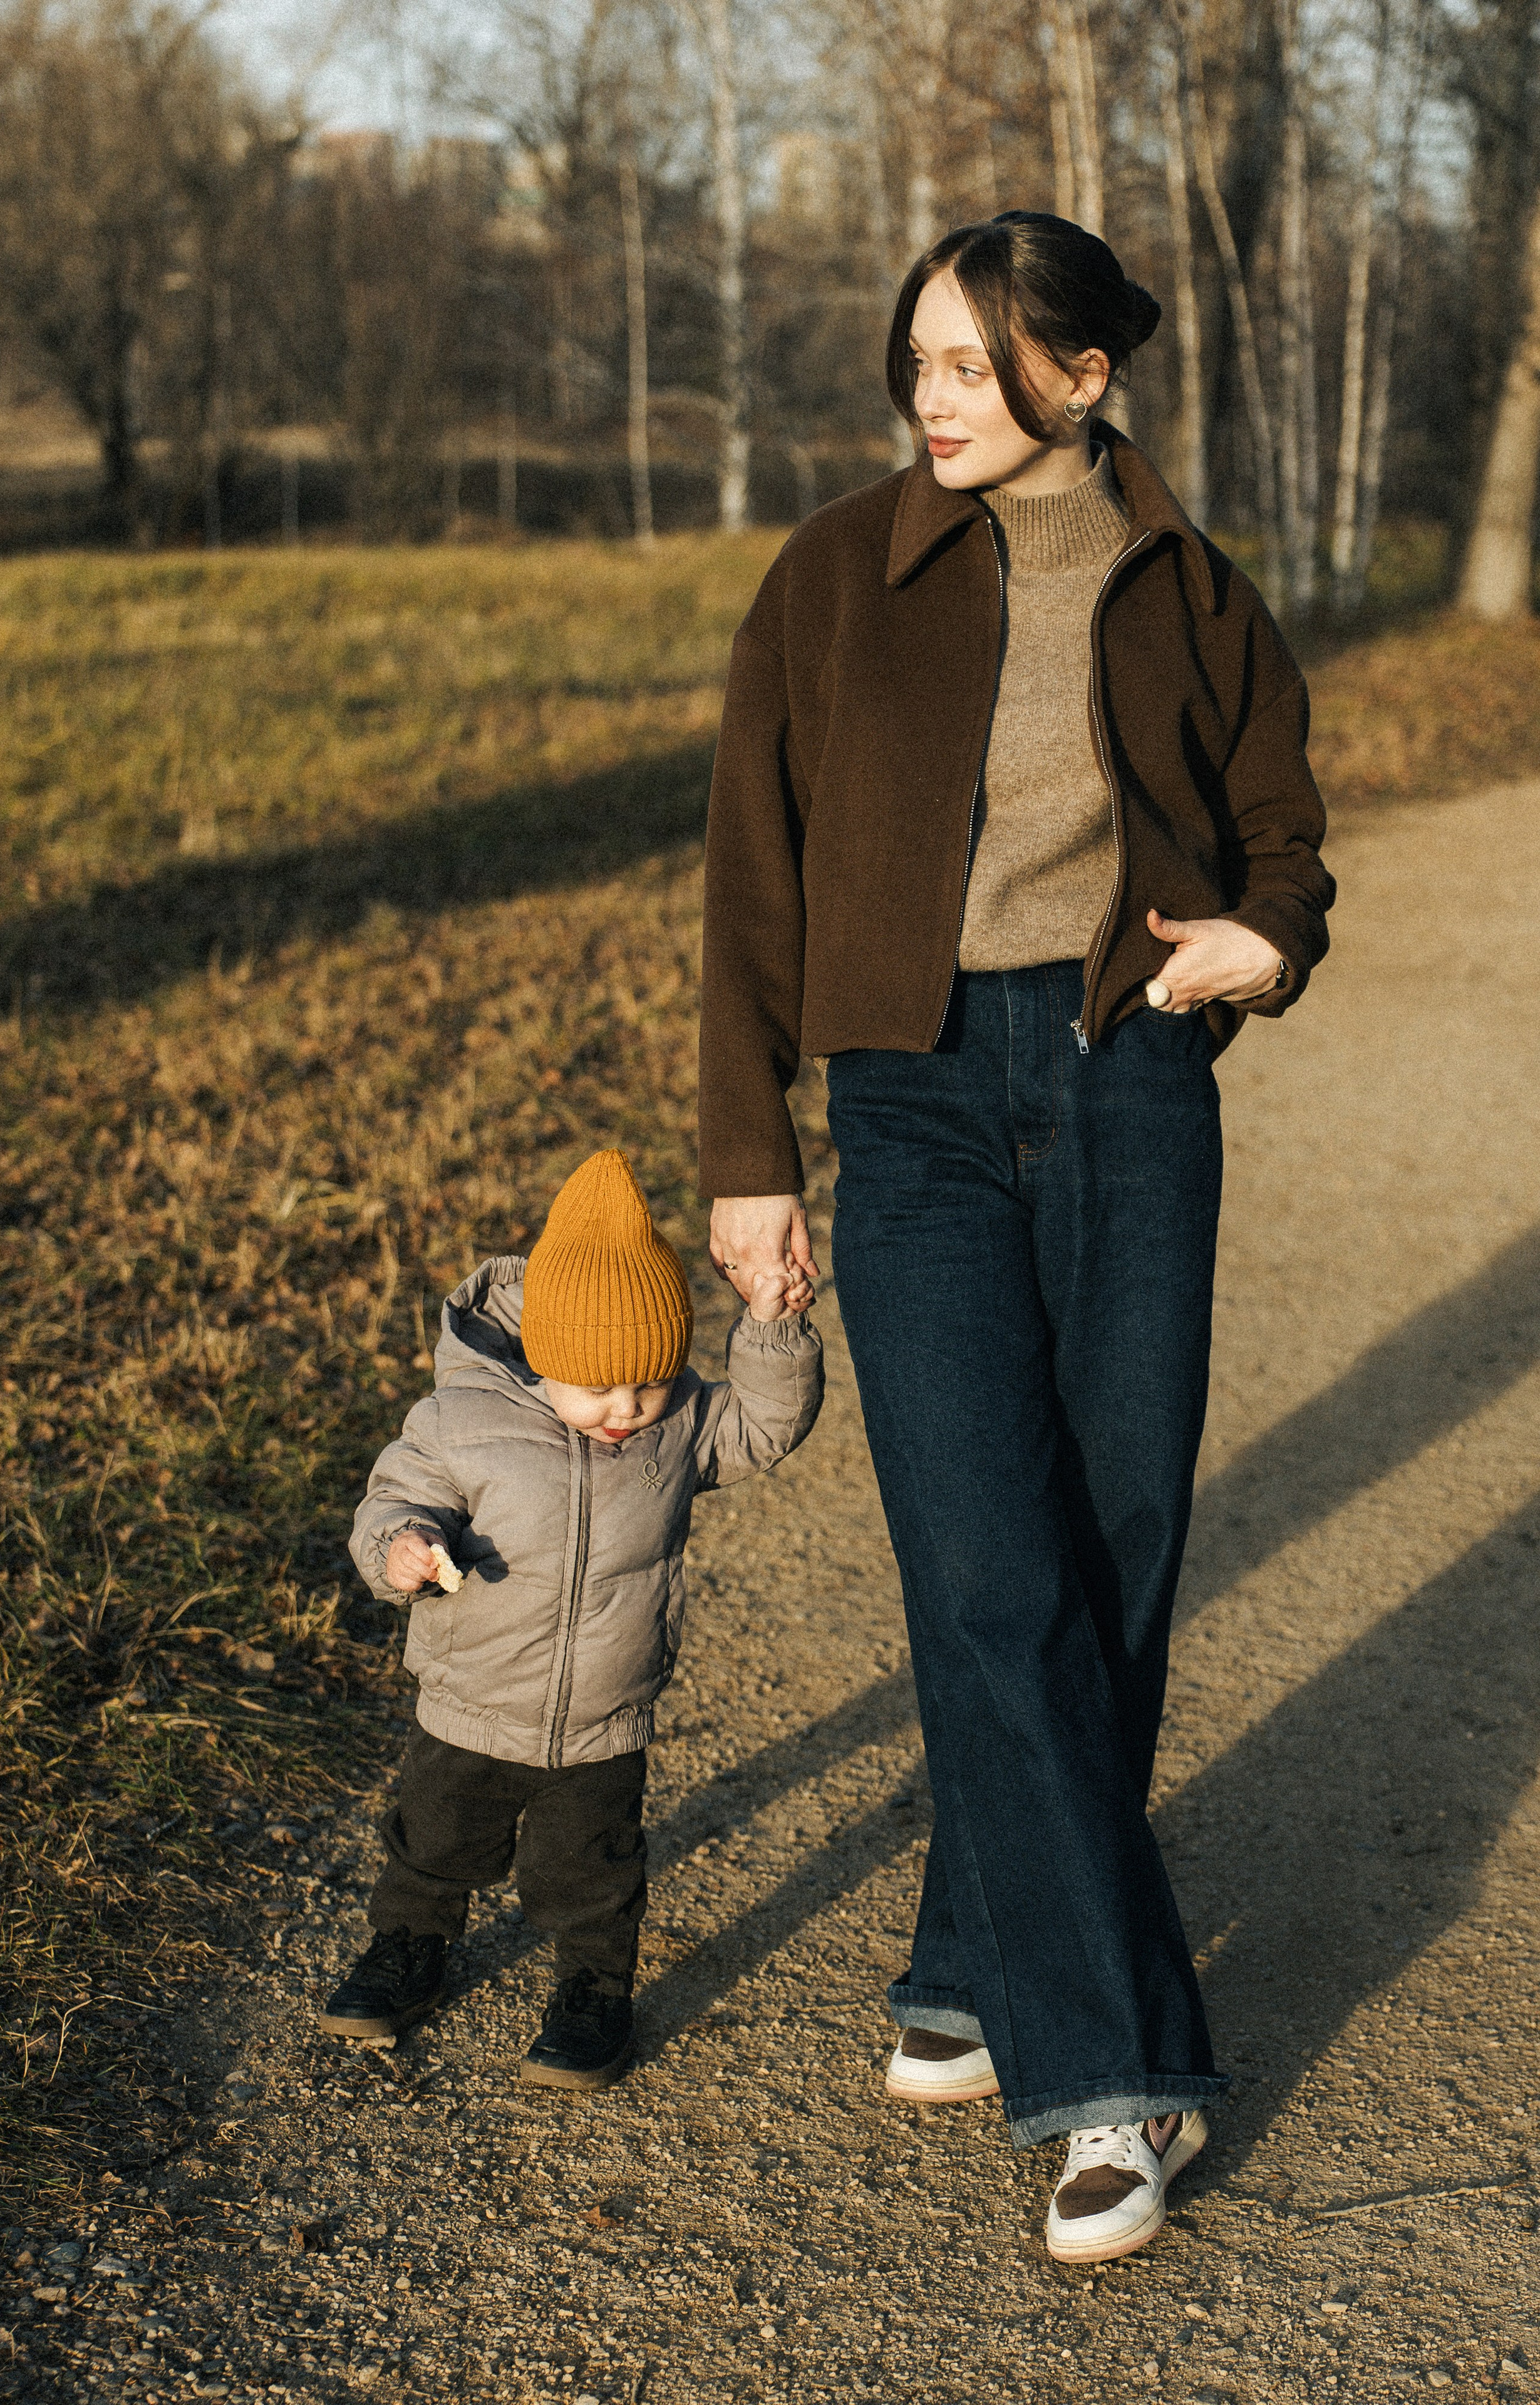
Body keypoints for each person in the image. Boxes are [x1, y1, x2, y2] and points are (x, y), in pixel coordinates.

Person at [698, 210, 1333, 2262]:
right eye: (920, 364)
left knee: (1114, 1551)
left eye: (973, 364)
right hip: (911, 1101)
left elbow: (1280, 824)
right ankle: (1112, 2070)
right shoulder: (835, 582)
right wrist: (753, 1157)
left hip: (1128, 1074)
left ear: (1086, 375)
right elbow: (749, 877)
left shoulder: (1189, 589)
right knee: (987, 1567)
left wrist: (1271, 940)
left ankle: (970, 1952)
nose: (933, 400)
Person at [326, 1147, 822, 2087]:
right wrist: (400, 1551)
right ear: (547, 1358)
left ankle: (594, 1992)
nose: (625, 1413)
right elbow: (394, 1502)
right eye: (600, 1389)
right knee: (433, 1844)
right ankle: (406, 1948)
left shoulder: (675, 1428)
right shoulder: (463, 1423)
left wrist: (771, 1328)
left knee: (589, 1873)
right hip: (470, 1699)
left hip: (602, 1715)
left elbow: (764, 1425)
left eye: (649, 1385)